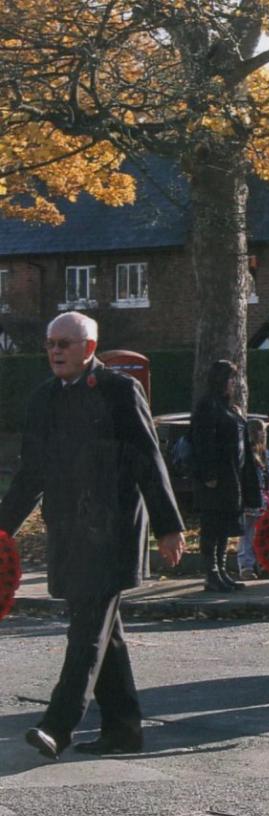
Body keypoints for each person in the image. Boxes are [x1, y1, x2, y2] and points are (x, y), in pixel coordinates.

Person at [2, 312, 185, 759]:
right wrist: (2, 527)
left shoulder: (120, 391)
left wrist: (168, 526)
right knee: (106, 634)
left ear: (89, 348)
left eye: (64, 343)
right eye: (49, 343)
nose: (55, 351)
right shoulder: (45, 397)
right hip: (68, 530)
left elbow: (148, 458)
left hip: (112, 532)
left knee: (86, 631)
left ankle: (58, 726)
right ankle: (124, 728)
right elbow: (31, 473)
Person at [192, 360, 257, 592]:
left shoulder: (228, 407)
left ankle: (221, 571)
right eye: (230, 378)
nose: (233, 383)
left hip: (232, 477)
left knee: (223, 528)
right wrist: (209, 474)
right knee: (212, 527)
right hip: (216, 479)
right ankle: (212, 573)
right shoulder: (208, 406)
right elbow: (202, 442)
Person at [237, 419, 269, 580]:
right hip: (252, 497)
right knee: (248, 532)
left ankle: (262, 563)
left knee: (263, 532)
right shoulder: (246, 454)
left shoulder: (266, 453)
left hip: (264, 498)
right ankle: (246, 565)